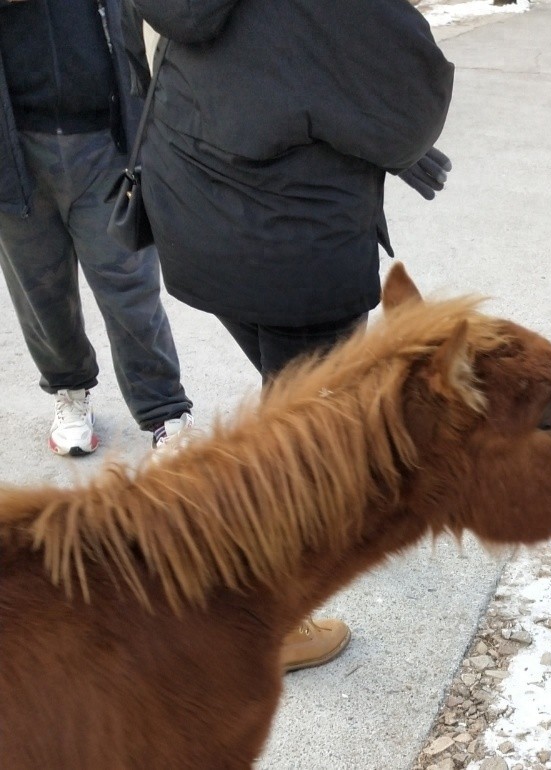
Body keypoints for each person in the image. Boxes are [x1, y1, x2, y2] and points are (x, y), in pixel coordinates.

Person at [130, 0, 455, 673]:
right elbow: (408, 109)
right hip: (293, 244)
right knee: (304, 437)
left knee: (290, 392)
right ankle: (268, 622)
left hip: (195, 214)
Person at [0, 0, 193, 456]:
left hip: (103, 138)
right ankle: (70, 391)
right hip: (14, 144)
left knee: (129, 284)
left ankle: (165, 410)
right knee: (40, 292)